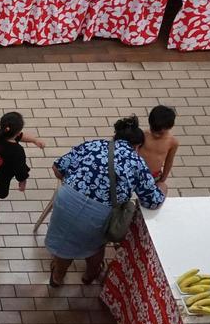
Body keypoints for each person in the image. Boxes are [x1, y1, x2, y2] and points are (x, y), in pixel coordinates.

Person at [46, 116, 165, 287]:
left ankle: (57, 277)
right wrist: (162, 186)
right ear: (137, 146)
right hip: (99, 213)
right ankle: (90, 275)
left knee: (65, 243)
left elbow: (58, 168)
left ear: (115, 136)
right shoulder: (137, 162)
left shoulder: (93, 145)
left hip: (67, 201)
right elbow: (152, 201)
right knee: (95, 245)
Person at [138, 105, 179, 193]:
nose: (156, 135)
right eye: (153, 130)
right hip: (137, 173)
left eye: (160, 133)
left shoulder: (172, 142)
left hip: (154, 176)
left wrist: (163, 178)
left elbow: (169, 161)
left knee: (159, 191)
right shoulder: (143, 135)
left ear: (169, 128)